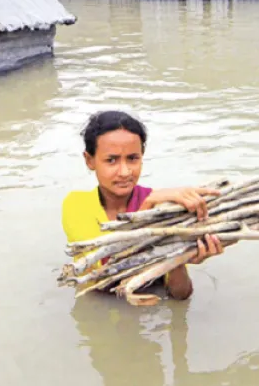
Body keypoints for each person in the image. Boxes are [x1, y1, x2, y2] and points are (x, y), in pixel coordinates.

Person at [61, 110, 225, 300]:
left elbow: (181, 295)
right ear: (90, 160)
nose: (124, 171)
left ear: (142, 156)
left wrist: (180, 258)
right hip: (97, 301)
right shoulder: (76, 205)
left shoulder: (163, 207)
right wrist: (147, 207)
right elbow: (108, 271)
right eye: (111, 160)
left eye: (132, 158)